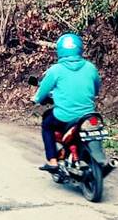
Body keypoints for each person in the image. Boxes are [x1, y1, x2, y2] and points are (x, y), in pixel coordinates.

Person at [33, 33, 101, 173]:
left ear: (60, 50)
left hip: (64, 117)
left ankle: (52, 161)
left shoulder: (55, 70)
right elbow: (96, 90)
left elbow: (41, 94)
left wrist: (36, 99)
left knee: (47, 123)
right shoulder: (91, 68)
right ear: (80, 48)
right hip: (88, 116)